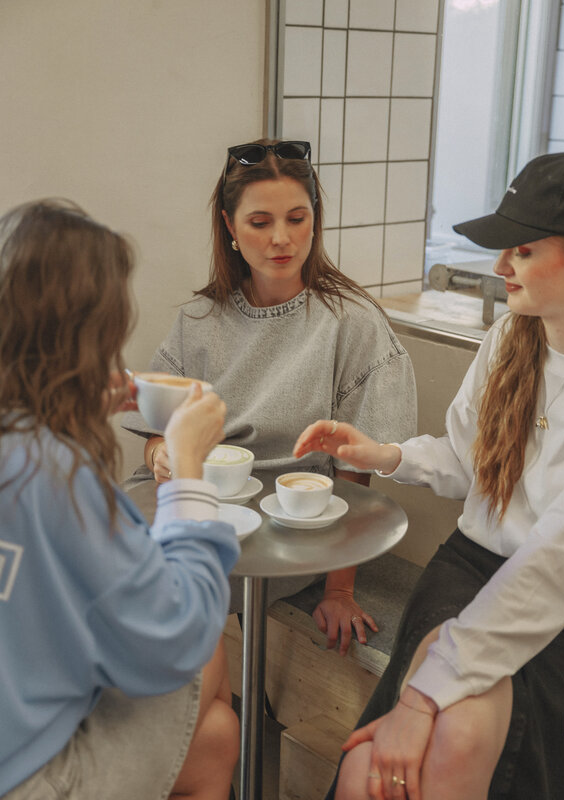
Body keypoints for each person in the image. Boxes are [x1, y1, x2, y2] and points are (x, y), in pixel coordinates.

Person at [293, 149, 564, 800]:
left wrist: (423, 698)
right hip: (471, 570)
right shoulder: (510, 340)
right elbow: (470, 461)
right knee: (365, 775)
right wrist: (384, 456)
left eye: (521, 250)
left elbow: (557, 566)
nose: (500, 266)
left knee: (452, 744)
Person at [122, 138, 416, 655]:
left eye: (297, 218)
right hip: (196, 503)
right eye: (260, 223)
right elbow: (153, 432)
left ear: (315, 219)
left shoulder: (352, 323)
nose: (282, 239)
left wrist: (340, 590)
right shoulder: (199, 319)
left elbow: (356, 472)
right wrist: (161, 454)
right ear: (230, 226)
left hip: (287, 528)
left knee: (160, 599)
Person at [0, 200, 241, 800]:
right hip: (27, 774)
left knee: (214, 736)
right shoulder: (48, 470)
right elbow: (173, 637)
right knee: (207, 648)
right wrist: (187, 462)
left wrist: (72, 399)